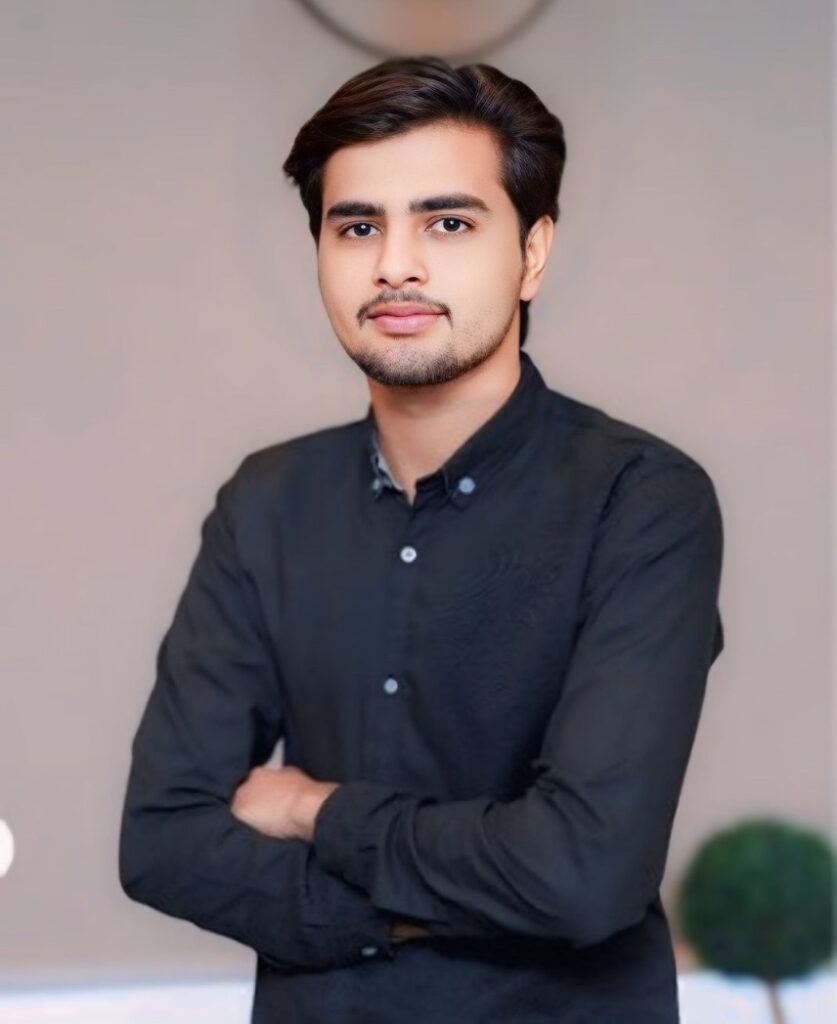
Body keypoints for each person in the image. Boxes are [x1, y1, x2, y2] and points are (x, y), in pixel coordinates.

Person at [119, 55, 725, 1023]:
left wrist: (314, 809)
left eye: (448, 223)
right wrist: (409, 910)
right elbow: (162, 840)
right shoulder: (267, 502)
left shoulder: (640, 499)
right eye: (357, 227)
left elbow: (583, 872)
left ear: (532, 252)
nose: (395, 265)